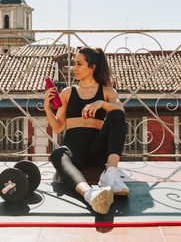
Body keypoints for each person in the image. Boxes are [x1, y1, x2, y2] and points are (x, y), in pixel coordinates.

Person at [44, 47, 129, 215]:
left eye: (79, 64)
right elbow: (58, 126)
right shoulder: (68, 92)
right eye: (73, 64)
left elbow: (120, 112)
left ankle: (111, 173)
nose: (73, 68)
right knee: (56, 154)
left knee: (116, 113)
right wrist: (47, 108)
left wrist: (101, 104)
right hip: (73, 153)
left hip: (97, 150)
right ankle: (90, 194)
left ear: (92, 67)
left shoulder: (107, 91)